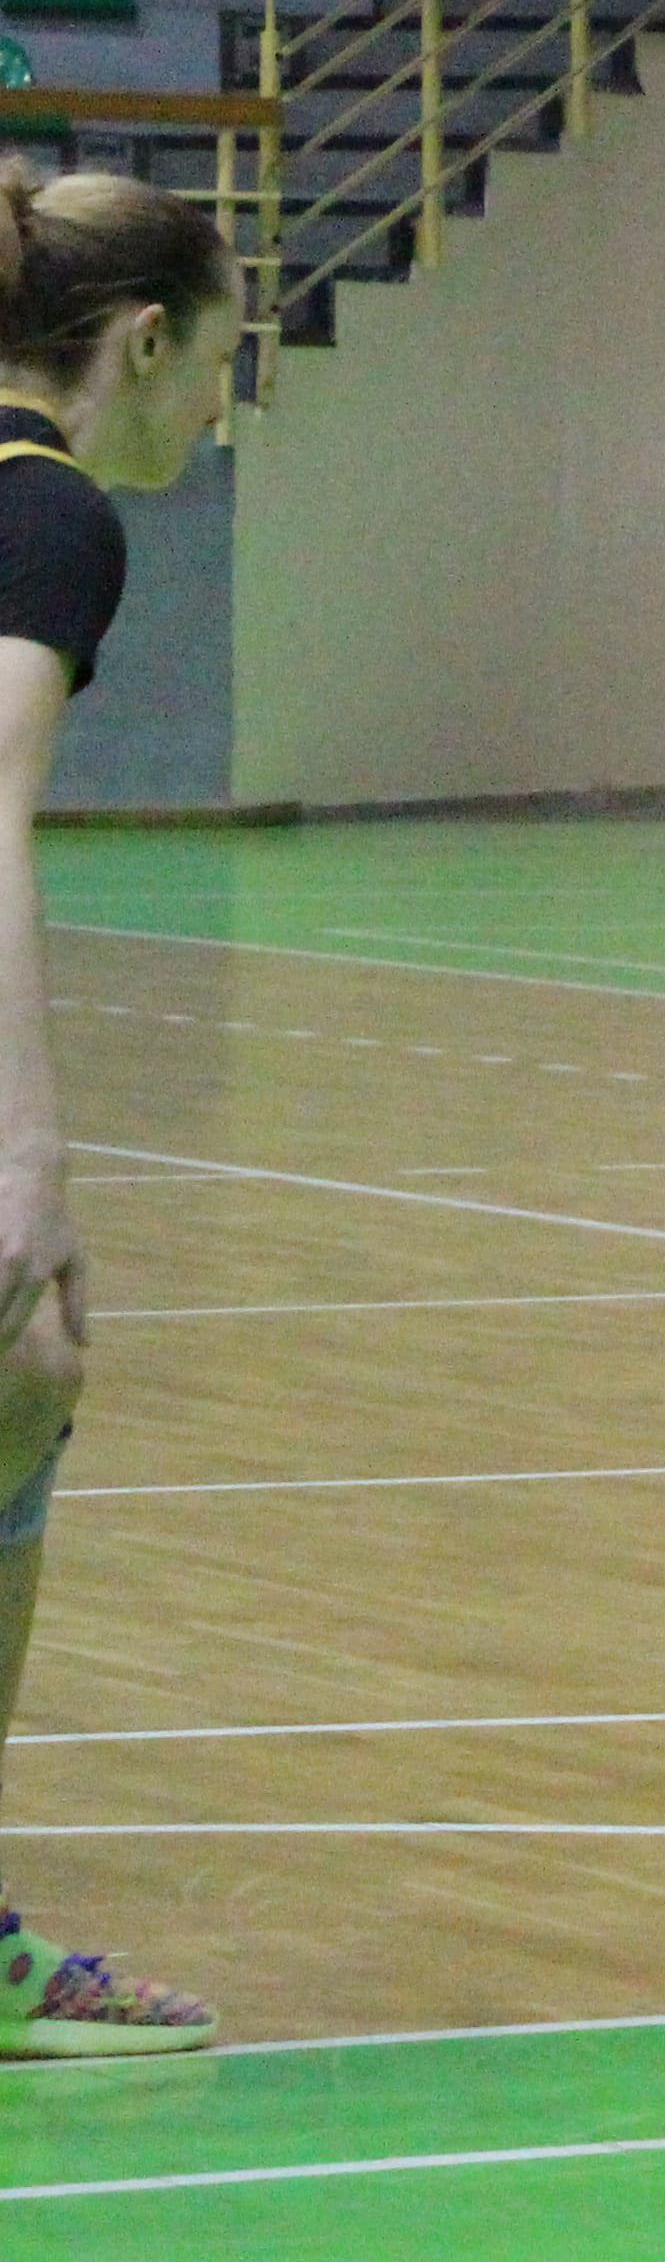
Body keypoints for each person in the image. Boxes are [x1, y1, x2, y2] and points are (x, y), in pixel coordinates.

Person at [0, 162, 238, 2060]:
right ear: (145, 343)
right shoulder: (50, 511)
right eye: (225, 363)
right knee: (24, 1354)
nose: (222, 409)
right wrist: (28, 1150)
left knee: (24, 1383)